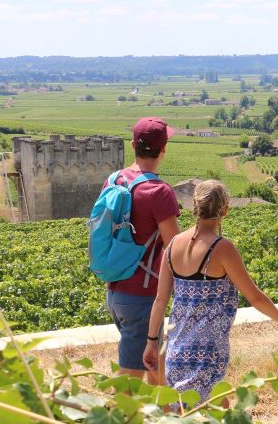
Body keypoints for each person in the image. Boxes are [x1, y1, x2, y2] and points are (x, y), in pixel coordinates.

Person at [143, 180, 278, 400]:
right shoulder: (222, 249)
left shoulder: (173, 244)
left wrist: (150, 344)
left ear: (194, 207)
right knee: (211, 410)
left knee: (187, 412)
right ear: (225, 210)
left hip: (176, 350)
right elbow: (254, 297)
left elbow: (159, 300)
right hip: (208, 353)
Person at [105, 117, 180, 384]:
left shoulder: (115, 180)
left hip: (115, 290)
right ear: (163, 149)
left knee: (154, 366)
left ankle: (163, 413)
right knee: (129, 383)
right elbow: (175, 249)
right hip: (142, 297)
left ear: (133, 145)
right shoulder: (159, 191)